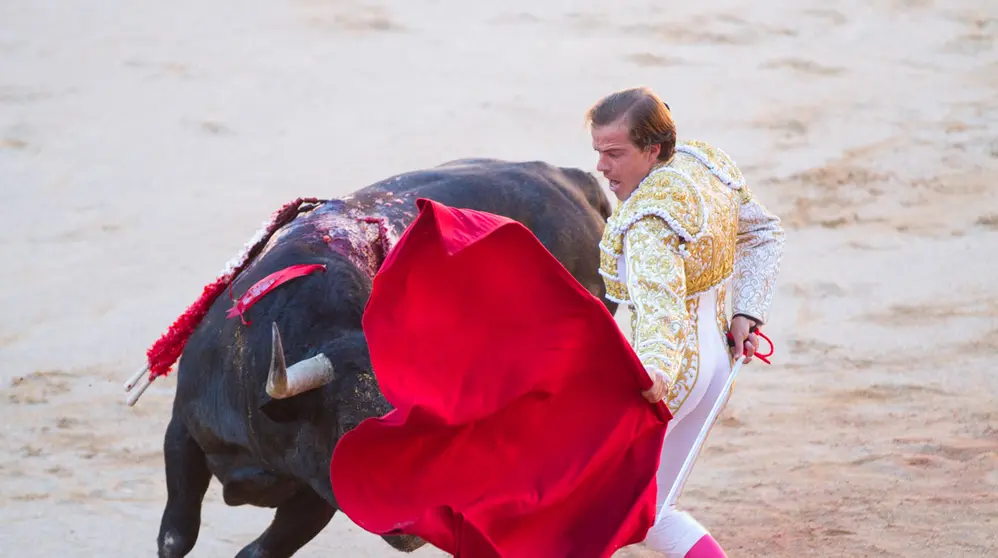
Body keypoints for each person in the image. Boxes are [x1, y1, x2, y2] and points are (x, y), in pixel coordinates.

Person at [587, 87, 785, 558]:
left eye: (615, 154)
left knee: (581, 508)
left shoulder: (648, 221)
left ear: (652, 149)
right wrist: (746, 313)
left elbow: (661, 308)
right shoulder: (704, 165)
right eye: (598, 153)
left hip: (670, 381)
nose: (602, 168)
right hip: (719, 368)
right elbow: (764, 232)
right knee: (652, 512)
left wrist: (655, 370)